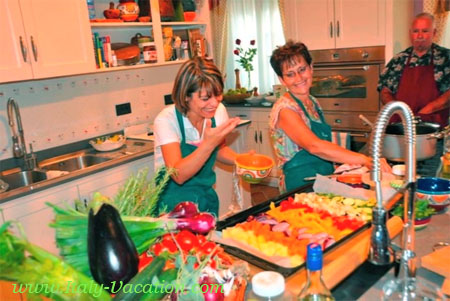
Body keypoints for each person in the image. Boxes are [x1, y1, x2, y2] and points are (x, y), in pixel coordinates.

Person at [269, 41, 391, 192]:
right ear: (282, 80)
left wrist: (340, 165)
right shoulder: (285, 110)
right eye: (290, 74)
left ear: (311, 68)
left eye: (302, 69)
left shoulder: (313, 102)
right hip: (299, 185)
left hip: (322, 180)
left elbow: (323, 145)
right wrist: (365, 160)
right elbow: (314, 146)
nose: (299, 77)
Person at [153, 57, 241, 216]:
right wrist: (208, 144)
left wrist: (241, 160)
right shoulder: (166, 120)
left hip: (205, 198)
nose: (214, 103)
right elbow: (177, 174)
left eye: (218, 94)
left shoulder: (218, 111)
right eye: (205, 98)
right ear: (186, 96)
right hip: (172, 206)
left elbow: (219, 149)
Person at [378, 12, 449, 128]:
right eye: (415, 31)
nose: (420, 36)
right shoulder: (398, 60)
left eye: (425, 31)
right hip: (401, 128)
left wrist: (423, 113)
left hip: (435, 130)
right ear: (410, 34)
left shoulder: (446, 58)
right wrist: (400, 111)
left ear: (434, 33)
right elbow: (385, 91)